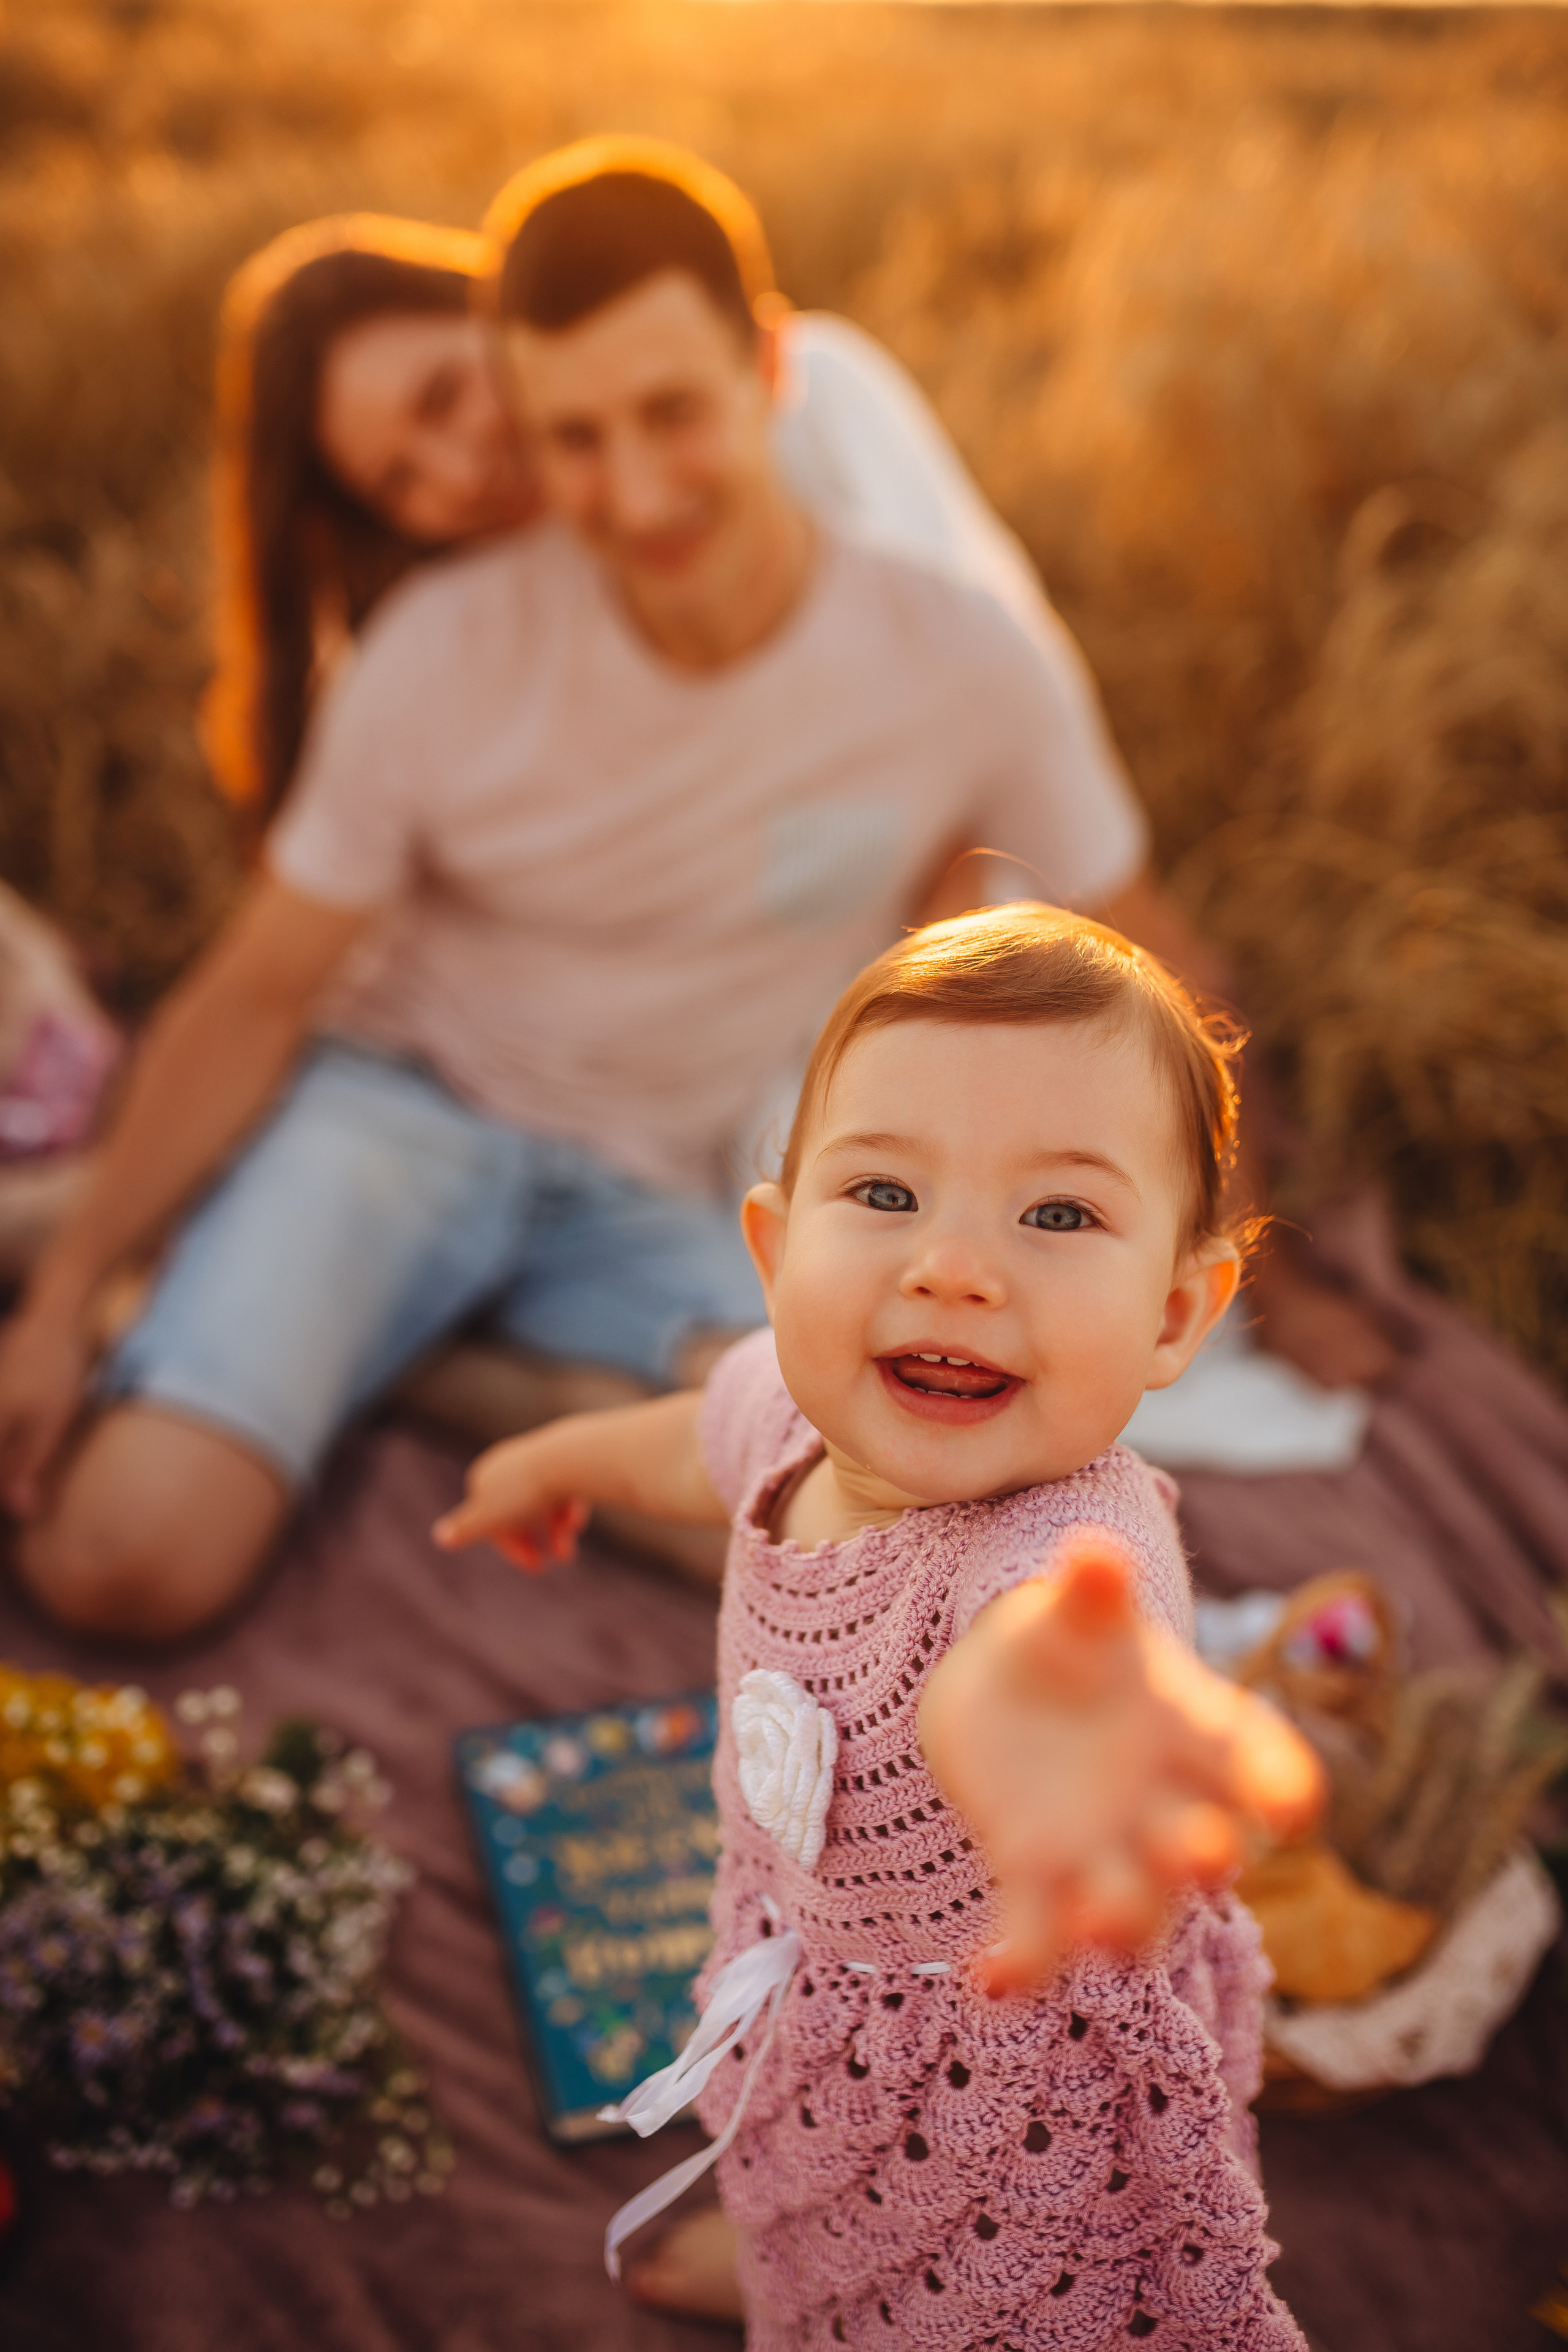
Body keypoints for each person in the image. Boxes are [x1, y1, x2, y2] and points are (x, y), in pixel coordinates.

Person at [0, 138, 1380, 1648]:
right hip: (408, 1117)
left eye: (672, 414)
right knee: (120, 1564)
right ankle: (311, 1294)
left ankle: (442, 1360)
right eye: (572, 438)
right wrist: (66, 1303)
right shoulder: (440, 650)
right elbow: (259, 986)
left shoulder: (957, 668)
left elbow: (1147, 960)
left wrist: (1271, 1268)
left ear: (773, 372)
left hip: (666, 1189)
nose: (636, 490)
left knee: (921, 1494)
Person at [433, 902, 1322, 2344]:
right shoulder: (793, 1415)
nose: (953, 1268)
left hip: (1007, 2108)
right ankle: (795, 2241)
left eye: (1056, 1215)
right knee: (815, 2176)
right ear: (775, 1249)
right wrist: (551, 1464)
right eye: (886, 1196)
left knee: (970, 2299)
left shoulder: (1057, 1552)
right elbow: (691, 1441)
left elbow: (1027, 1663)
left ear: (1175, 1313)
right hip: (816, 1998)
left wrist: (1074, 1740)